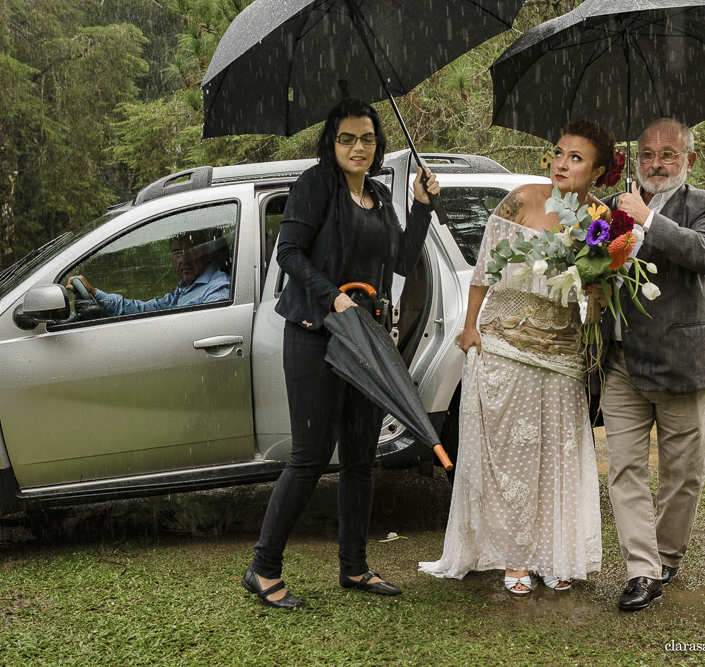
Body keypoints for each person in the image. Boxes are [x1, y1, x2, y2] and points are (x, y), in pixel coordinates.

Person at [241, 98, 439, 609]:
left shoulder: (377, 193)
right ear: (332, 143)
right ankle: (263, 568)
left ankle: (354, 567)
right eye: (347, 138)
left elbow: (401, 259)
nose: (358, 147)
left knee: (360, 458)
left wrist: (421, 205)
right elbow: (287, 253)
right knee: (309, 456)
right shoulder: (314, 186)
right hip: (316, 333)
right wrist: (333, 295)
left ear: (378, 146)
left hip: (366, 337)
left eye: (367, 139)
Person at [419, 120, 618, 594]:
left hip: (564, 357)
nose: (562, 164)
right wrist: (469, 327)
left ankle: (555, 555)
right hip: (505, 346)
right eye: (558, 153)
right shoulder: (523, 199)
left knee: (559, 459)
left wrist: (595, 291)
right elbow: (485, 270)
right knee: (512, 458)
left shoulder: (602, 221)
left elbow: (595, 308)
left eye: (576, 158)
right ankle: (514, 559)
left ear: (599, 170)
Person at [598, 118, 705, 612]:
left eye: (668, 154)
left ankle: (668, 553)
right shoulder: (612, 208)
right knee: (624, 469)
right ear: (635, 159)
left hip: (682, 364)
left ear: (688, 161)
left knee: (682, 473)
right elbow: (594, 263)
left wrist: (648, 220)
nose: (656, 163)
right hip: (622, 363)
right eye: (647, 154)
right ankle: (642, 570)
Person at [66, 228, 231, 316]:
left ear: (206, 253)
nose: (184, 259)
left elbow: (213, 330)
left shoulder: (217, 288)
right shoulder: (184, 290)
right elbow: (146, 309)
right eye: (177, 253)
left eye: (191, 250)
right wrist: (95, 293)